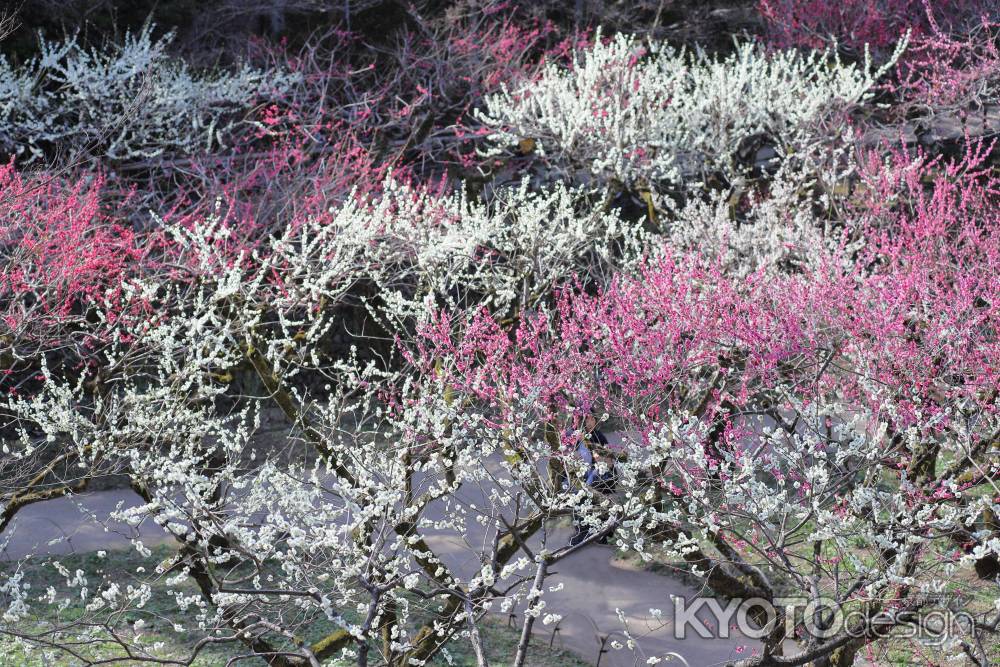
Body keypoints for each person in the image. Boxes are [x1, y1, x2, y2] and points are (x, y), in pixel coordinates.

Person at [569, 412, 617, 547]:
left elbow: (608, 462)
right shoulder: (571, 436)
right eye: (586, 419)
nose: (590, 422)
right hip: (577, 476)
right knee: (579, 494)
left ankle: (600, 533)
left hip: (599, 475)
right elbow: (568, 459)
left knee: (588, 491)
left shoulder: (598, 436)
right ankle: (584, 532)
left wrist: (600, 458)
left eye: (592, 418)